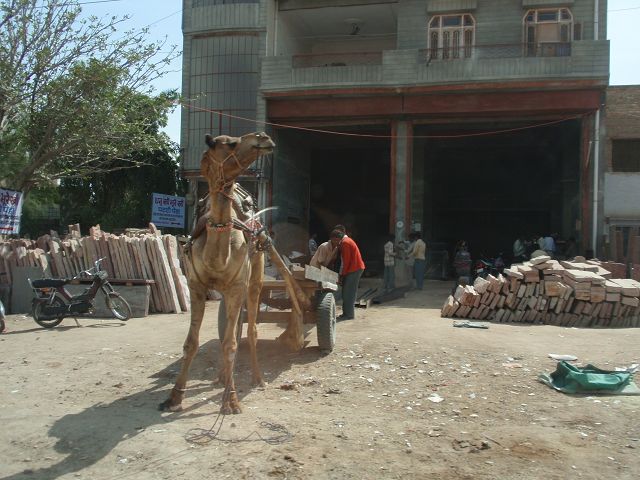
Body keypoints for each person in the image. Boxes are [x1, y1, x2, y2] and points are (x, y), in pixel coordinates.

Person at [331, 229, 365, 320]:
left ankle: (349, 315)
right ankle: (347, 313)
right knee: (348, 292)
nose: (334, 243)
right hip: (355, 268)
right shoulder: (347, 241)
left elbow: (346, 262)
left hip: (354, 269)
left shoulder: (345, 243)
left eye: (334, 241)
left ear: (337, 238)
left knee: (348, 293)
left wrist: (342, 275)